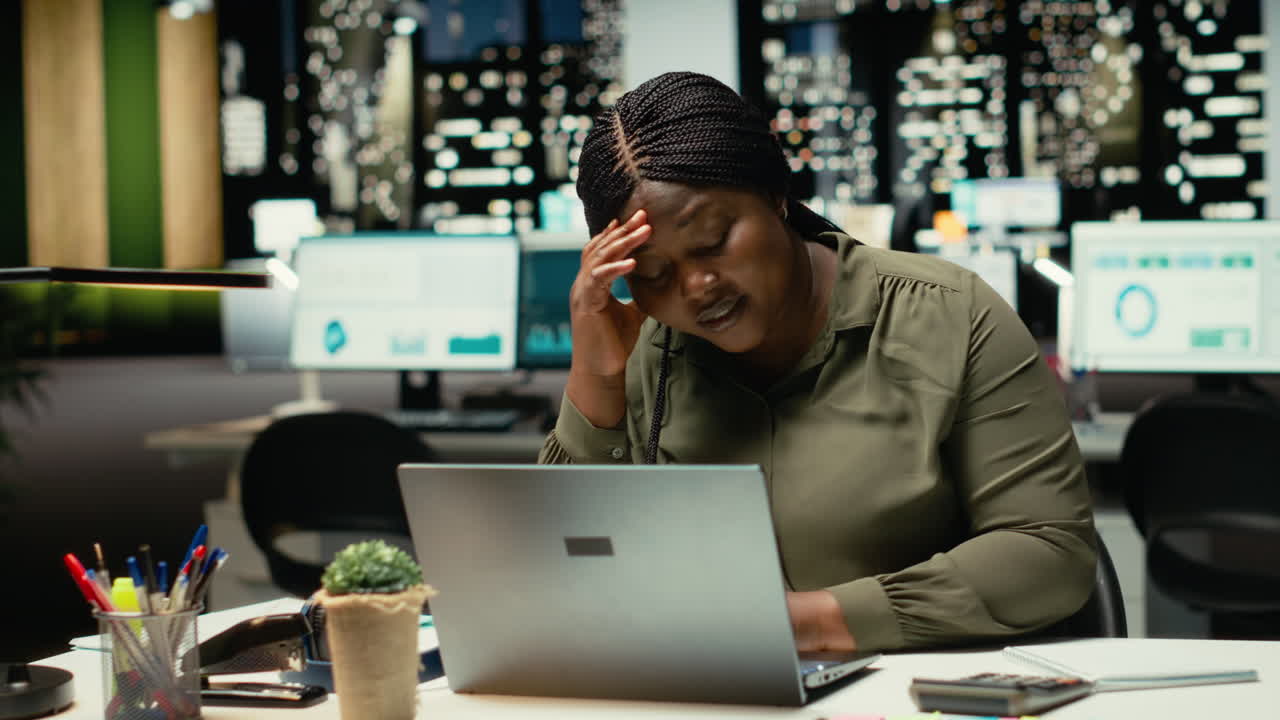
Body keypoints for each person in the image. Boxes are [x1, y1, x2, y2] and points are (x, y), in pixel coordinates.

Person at [537, 71, 1096, 654]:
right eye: (653, 275)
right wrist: (597, 379)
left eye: (714, 241)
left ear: (777, 195)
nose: (697, 286)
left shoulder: (951, 317)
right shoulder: (652, 350)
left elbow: (1049, 551)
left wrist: (806, 623)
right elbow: (560, 579)